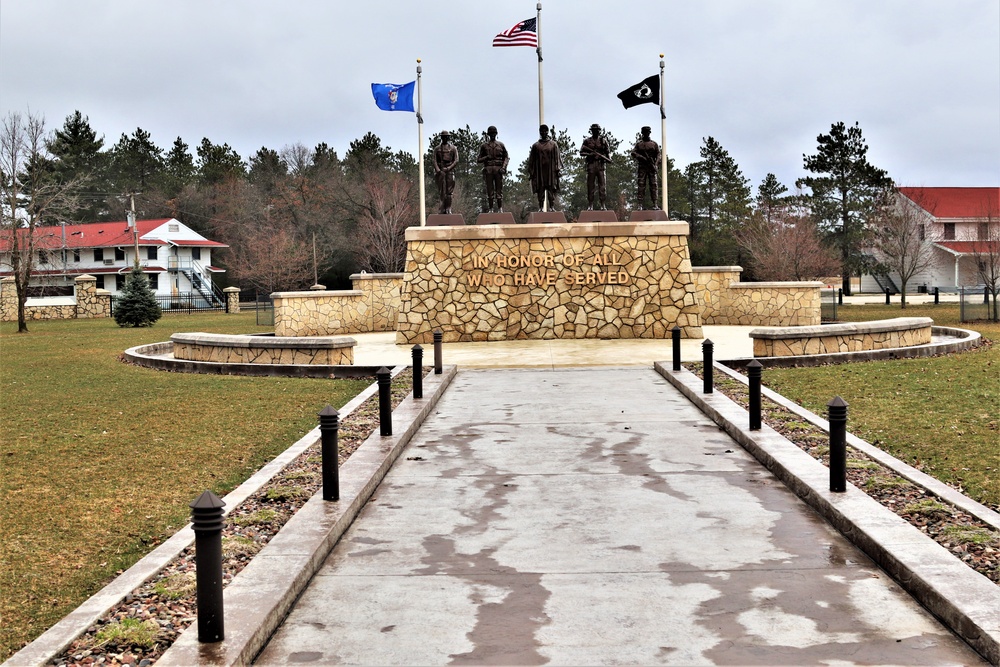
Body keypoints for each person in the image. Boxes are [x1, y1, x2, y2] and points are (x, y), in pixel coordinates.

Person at [527, 124, 562, 211]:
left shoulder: (553, 144)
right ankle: (540, 207)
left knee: (551, 189)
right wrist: (531, 172)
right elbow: (531, 160)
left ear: (547, 132)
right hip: (540, 171)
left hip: (550, 171)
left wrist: (558, 169)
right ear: (540, 132)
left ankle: (552, 207)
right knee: (540, 189)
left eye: (545, 131)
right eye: (541, 131)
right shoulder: (536, 146)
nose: (543, 133)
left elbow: (557, 158)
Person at [477, 126, 509, 212]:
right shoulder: (484, 146)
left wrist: (504, 167)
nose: (492, 135)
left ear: (496, 134)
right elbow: (478, 160)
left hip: (498, 169)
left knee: (499, 190)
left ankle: (500, 208)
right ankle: (491, 208)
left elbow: (506, 157)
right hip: (489, 169)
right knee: (489, 190)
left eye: (494, 133)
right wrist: (486, 157)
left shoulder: (501, 145)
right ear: (488, 134)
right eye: (491, 133)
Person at [580, 123, 611, 210]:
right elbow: (581, 152)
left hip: (601, 165)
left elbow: (608, 152)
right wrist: (590, 154)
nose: (595, 132)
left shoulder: (603, 141)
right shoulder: (587, 141)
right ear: (591, 131)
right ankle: (590, 205)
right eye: (594, 130)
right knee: (590, 186)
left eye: (597, 130)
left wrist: (608, 158)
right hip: (591, 165)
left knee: (602, 186)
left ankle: (603, 205)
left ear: (599, 131)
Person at [631, 126, 660, 210]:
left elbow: (658, 154)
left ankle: (655, 204)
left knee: (654, 185)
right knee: (641, 185)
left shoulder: (654, 144)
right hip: (642, 167)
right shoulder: (639, 144)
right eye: (645, 132)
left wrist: (656, 164)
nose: (646, 134)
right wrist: (641, 157)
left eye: (647, 132)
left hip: (651, 167)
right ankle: (640, 204)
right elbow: (633, 153)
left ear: (649, 133)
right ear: (642, 133)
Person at [433, 130, 459, 214]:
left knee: (449, 191)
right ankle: (442, 208)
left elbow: (456, 160)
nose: (445, 138)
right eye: (443, 137)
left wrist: (448, 168)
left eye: (446, 137)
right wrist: (438, 170)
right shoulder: (437, 149)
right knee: (441, 191)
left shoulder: (453, 148)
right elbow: (434, 160)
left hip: (450, 171)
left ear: (448, 137)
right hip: (440, 171)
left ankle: (448, 208)